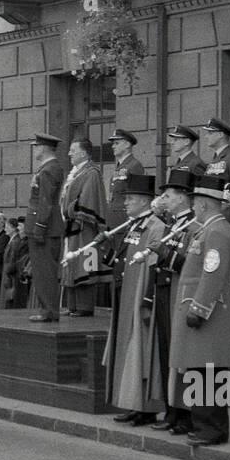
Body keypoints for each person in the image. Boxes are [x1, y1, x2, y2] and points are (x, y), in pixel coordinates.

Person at [75, 173, 159, 425]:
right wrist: (105, 248)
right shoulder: (133, 225)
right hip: (124, 294)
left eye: (131, 199)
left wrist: (146, 300)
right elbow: (120, 262)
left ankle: (146, 408)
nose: (126, 203)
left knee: (139, 353)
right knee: (127, 353)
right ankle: (133, 404)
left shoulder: (155, 226)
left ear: (145, 201)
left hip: (137, 295)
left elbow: (153, 265)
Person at [166, 174, 230, 446]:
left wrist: (198, 308)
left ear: (205, 204)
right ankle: (207, 426)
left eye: (197, 201)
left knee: (205, 370)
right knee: (202, 369)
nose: (194, 206)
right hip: (208, 309)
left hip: (208, 313)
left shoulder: (217, 232)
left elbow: (213, 274)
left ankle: (211, 429)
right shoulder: (210, 229)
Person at [150, 170, 199, 430]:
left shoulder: (192, 225)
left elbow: (189, 264)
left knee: (180, 357)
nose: (163, 200)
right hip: (165, 292)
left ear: (182, 198)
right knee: (168, 355)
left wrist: (164, 252)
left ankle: (185, 415)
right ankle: (172, 412)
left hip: (179, 294)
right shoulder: (173, 224)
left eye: (168, 195)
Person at [59, 138, 107, 317]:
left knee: (84, 264)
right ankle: (72, 305)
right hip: (71, 227)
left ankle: (85, 307)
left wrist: (71, 209)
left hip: (85, 228)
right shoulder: (76, 173)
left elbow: (89, 200)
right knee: (71, 263)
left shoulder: (92, 173)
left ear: (85, 153)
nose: (69, 153)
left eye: (73, 150)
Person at [27, 133, 66, 322]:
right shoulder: (48, 168)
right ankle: (47, 309)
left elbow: (46, 202)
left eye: (36, 146)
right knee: (42, 270)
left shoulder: (49, 170)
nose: (35, 149)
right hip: (45, 226)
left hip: (45, 227)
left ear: (43, 148)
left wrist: (40, 227)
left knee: (45, 271)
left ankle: (49, 310)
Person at [200, 118, 230, 233]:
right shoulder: (214, 160)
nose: (207, 136)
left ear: (220, 135)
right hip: (213, 214)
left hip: (226, 217)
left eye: (210, 133)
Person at [105, 128, 146, 228]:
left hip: (124, 219)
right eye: (113, 143)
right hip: (114, 219)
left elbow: (137, 195)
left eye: (117, 143)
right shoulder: (120, 166)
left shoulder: (134, 165)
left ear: (127, 145)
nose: (113, 146)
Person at [0, 217, 30, 308]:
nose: (18, 228)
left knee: (16, 301)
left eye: (20, 226)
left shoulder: (19, 241)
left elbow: (17, 259)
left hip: (17, 275)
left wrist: (10, 268)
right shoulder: (18, 241)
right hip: (12, 274)